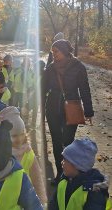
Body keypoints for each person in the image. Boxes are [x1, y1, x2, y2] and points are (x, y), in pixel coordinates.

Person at [39, 39, 94, 185]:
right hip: (52, 108)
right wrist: (33, 106)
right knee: (56, 142)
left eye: (56, 51)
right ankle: (61, 174)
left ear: (64, 51)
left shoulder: (78, 67)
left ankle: (71, 171)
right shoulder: (50, 68)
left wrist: (88, 111)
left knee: (67, 141)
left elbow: (84, 89)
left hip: (72, 107)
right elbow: (42, 89)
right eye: (52, 52)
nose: (53, 54)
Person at [0, 107, 48, 206]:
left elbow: (36, 178)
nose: (18, 138)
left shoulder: (28, 153)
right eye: (13, 136)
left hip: (23, 201)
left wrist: (41, 200)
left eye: (20, 134)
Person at [49, 137, 112, 210]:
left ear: (76, 165)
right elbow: (54, 203)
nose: (62, 162)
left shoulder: (93, 192)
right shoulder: (63, 181)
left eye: (65, 160)